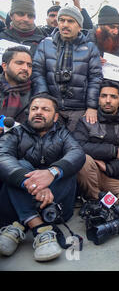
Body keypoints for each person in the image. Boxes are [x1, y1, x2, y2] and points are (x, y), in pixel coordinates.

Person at [0, 94, 85, 262]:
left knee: (67, 168)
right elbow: (2, 156)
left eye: (45, 109)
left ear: (55, 117)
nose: (38, 112)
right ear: (28, 113)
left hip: (55, 204)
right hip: (29, 198)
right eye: (34, 109)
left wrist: (51, 173)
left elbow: (77, 153)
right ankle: (39, 228)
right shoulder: (15, 133)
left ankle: (19, 226)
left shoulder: (63, 134)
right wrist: (30, 183)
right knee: (20, 167)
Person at [73, 80, 119, 213]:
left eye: (113, 97)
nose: (108, 100)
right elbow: (77, 146)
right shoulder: (86, 120)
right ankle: (96, 199)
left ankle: (101, 205)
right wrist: (112, 151)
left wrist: (111, 168)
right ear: (98, 99)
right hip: (92, 175)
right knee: (82, 159)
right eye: (104, 96)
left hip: (117, 177)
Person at [31, 5, 103, 132]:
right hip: (51, 108)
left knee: (75, 146)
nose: (65, 24)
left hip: (79, 109)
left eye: (70, 21)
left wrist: (92, 107)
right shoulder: (45, 44)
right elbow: (37, 73)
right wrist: (44, 99)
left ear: (79, 26)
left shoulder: (90, 48)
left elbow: (95, 78)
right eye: (62, 20)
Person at [0, 46, 33, 129]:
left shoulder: (36, 94)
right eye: (19, 63)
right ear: (4, 66)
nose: (26, 68)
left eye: (29, 65)